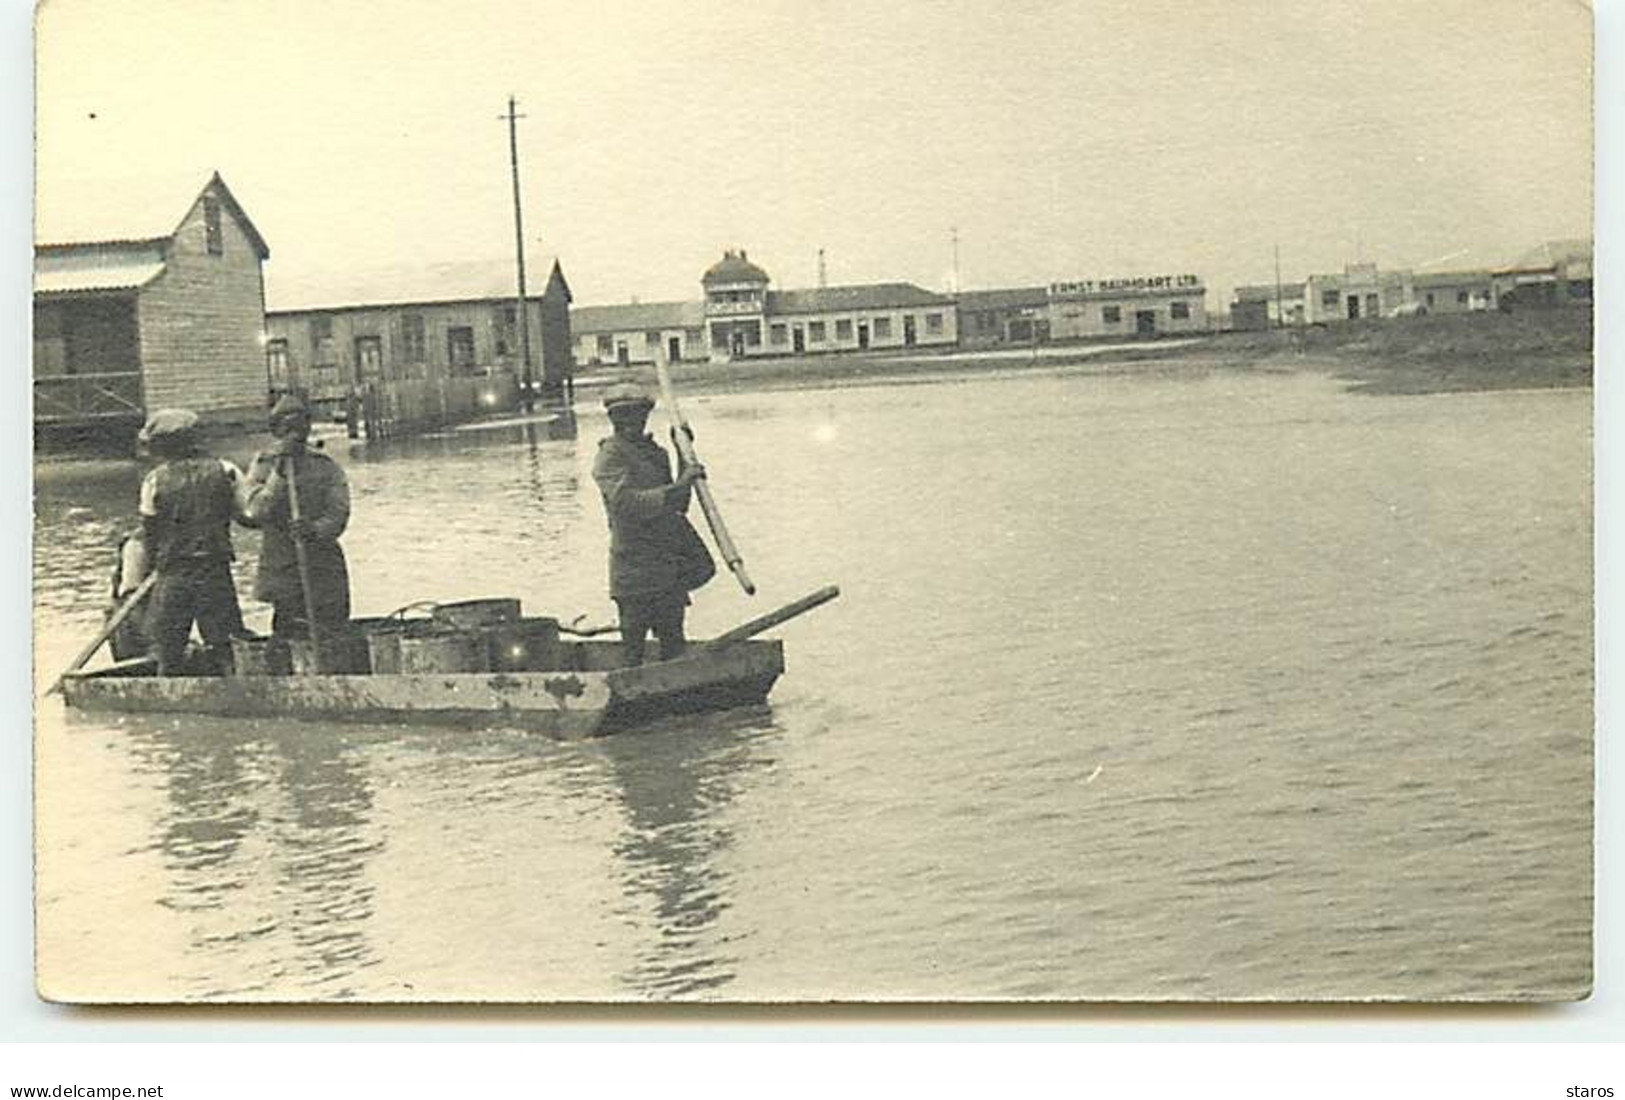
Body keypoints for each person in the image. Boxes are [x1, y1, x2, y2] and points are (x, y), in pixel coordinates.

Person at [591, 381, 715, 665]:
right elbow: (626, 504)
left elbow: (677, 503)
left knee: (674, 643)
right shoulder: (609, 456)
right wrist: (677, 486)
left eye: (638, 414)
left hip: (665, 566)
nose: (633, 421)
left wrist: (684, 456)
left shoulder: (655, 454)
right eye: (625, 416)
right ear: (614, 419)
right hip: (634, 571)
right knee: (633, 650)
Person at [135, 408, 246, 675]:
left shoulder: (154, 481)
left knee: (169, 649)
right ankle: (234, 696)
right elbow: (247, 515)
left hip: (175, 573)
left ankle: (169, 697)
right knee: (225, 645)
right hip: (215, 569)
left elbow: (150, 532)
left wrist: (155, 569)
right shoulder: (227, 470)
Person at [241, 394, 352, 638]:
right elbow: (255, 510)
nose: (294, 432)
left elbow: (339, 513)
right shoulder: (263, 465)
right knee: (290, 629)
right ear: (276, 430)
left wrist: (314, 529)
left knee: (332, 629)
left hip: (323, 561)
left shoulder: (325, 465)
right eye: (287, 426)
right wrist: (279, 473)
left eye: (300, 425)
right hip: (283, 561)